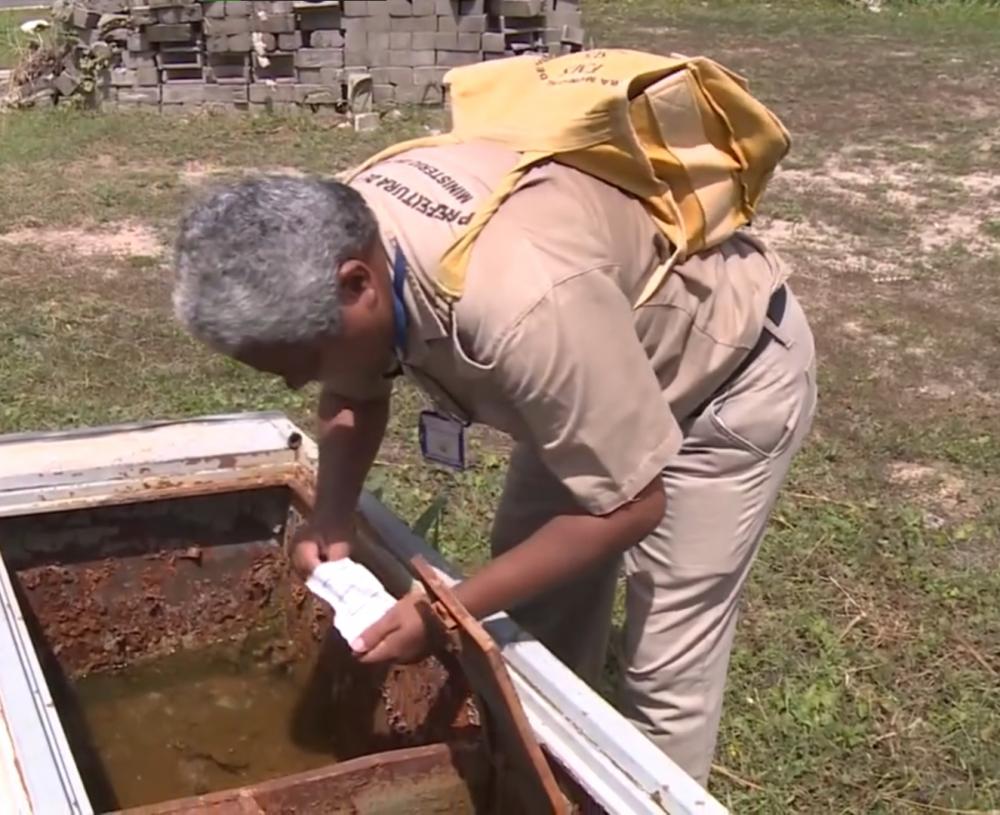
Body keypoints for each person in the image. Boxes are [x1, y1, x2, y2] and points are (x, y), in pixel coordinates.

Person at [171, 138, 817, 788]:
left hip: (716, 382)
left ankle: (650, 796)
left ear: (357, 285)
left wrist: (442, 612)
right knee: (535, 609)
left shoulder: (525, 306)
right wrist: (333, 514)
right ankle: (544, 787)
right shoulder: (335, 233)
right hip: (588, 374)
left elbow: (630, 505)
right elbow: (353, 386)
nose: (296, 387)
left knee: (666, 669)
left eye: (303, 364)